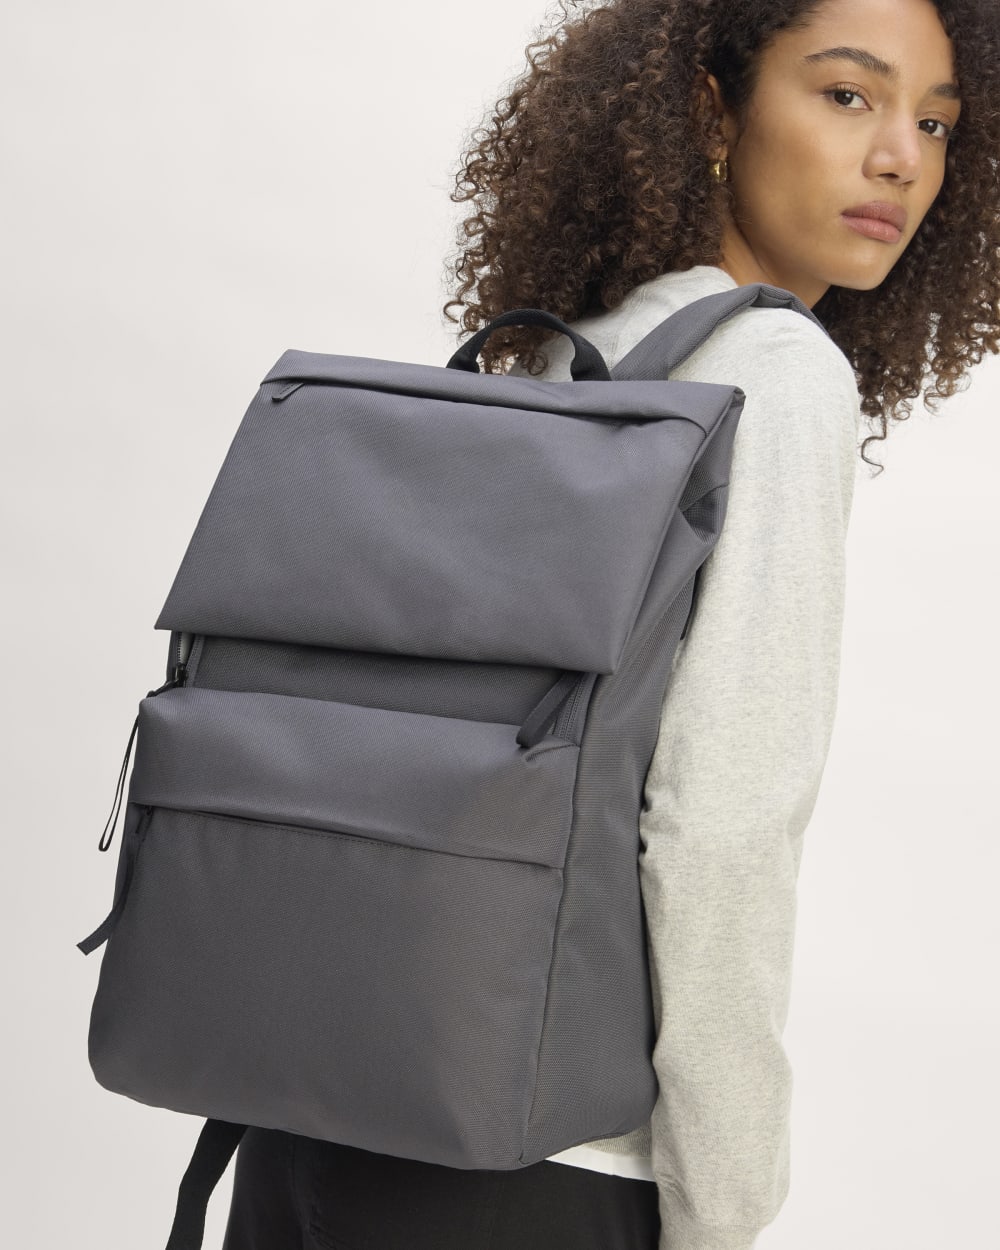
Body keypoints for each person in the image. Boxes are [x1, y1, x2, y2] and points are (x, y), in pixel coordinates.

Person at [221, 1, 1000, 1247]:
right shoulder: (776, 371)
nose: (900, 156)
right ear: (710, 110)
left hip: (320, 1112)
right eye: (846, 94)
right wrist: (723, 1201)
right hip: (540, 1156)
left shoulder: (561, 353)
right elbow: (720, 828)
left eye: (937, 121)